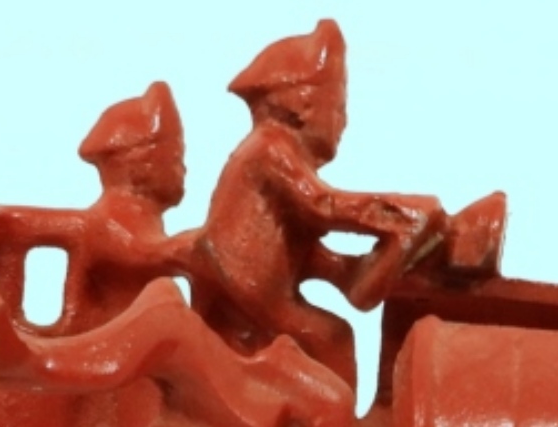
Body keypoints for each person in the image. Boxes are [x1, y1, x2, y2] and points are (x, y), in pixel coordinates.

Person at [196, 20, 444, 385]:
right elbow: (322, 205)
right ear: (301, 105)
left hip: (262, 278)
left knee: (332, 303)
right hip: (244, 281)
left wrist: (342, 267)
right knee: (331, 337)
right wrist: (400, 214)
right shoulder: (270, 148)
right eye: (339, 108)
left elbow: (298, 237)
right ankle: (336, 418)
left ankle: (350, 278)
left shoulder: (272, 149)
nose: (344, 122)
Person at [64, 81, 194, 331]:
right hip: (108, 338)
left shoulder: (144, 220)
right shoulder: (109, 219)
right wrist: (196, 247)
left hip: (137, 336)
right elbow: (143, 254)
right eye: (176, 160)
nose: (183, 170)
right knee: (169, 303)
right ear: (142, 168)